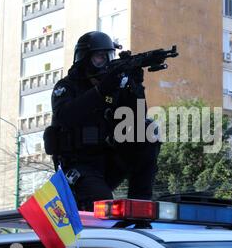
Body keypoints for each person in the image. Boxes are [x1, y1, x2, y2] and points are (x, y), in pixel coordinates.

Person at [44, 31, 160, 211]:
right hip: (79, 163)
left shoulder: (114, 87)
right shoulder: (67, 86)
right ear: (85, 58)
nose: (105, 61)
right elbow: (65, 116)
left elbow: (135, 122)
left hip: (109, 160)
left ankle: (140, 205)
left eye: (109, 56)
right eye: (100, 57)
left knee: (146, 130)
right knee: (103, 206)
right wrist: (101, 91)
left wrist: (136, 87)